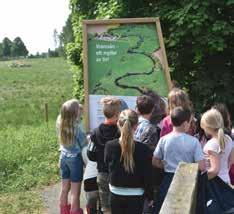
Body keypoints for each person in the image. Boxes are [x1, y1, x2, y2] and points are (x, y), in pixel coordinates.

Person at [152, 107, 205, 213]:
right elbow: (202, 166)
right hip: (187, 182)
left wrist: (165, 165)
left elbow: (155, 161)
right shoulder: (194, 141)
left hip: (167, 179)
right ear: (185, 123)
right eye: (190, 122)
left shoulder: (163, 139)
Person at [105, 109, 153, 214]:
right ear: (136, 126)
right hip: (136, 195)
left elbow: (107, 167)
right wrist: (150, 197)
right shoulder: (144, 149)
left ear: (118, 123)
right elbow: (147, 176)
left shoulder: (109, 146)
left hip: (115, 192)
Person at [87, 97, 121, 214]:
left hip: (102, 173)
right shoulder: (120, 132)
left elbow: (90, 154)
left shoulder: (95, 132)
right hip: (117, 173)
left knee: (105, 206)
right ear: (117, 114)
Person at [56, 99, 86, 214]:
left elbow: (68, 112)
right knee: (75, 191)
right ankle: (75, 210)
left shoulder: (60, 120)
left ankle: (63, 210)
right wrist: (88, 137)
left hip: (63, 156)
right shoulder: (77, 126)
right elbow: (83, 143)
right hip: (75, 159)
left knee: (64, 189)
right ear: (75, 113)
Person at [201, 109, 234, 183]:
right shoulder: (228, 138)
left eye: (204, 128)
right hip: (226, 180)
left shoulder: (211, 144)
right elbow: (232, 159)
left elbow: (215, 170)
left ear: (208, 127)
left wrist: (201, 180)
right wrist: (224, 172)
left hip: (214, 184)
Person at [212, 103, 234, 184]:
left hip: (213, 178)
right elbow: (231, 160)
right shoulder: (229, 137)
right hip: (226, 177)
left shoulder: (210, 137)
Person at [82, 145, 99, 214]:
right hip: (102, 178)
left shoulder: (85, 149)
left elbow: (85, 164)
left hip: (88, 180)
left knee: (91, 208)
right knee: (104, 207)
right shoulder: (108, 147)